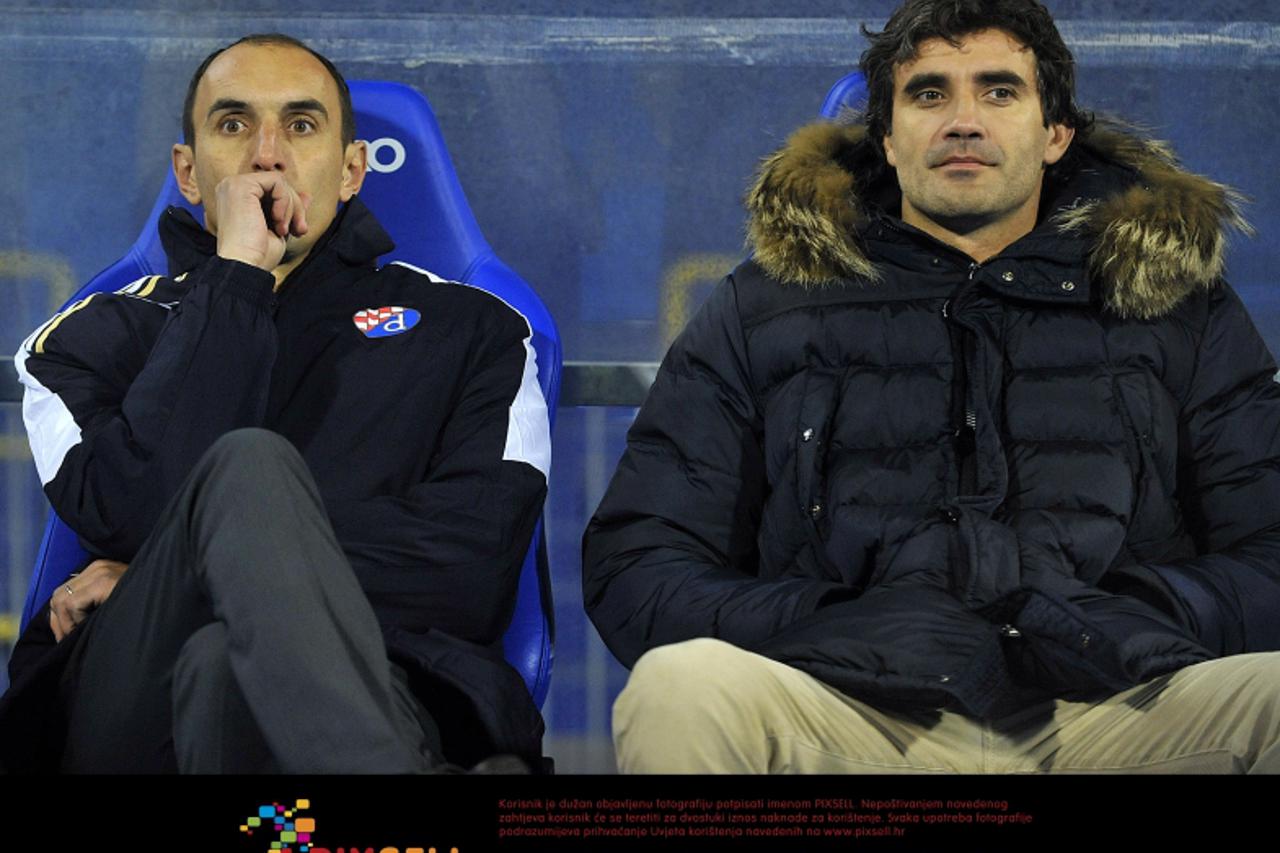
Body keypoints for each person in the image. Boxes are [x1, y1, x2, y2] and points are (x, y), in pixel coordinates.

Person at [583, 0, 1280, 773]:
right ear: (886, 135)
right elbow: (641, 559)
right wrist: (844, 624)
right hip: (850, 707)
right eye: (928, 94)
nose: (963, 121)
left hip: (1115, 703)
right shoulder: (767, 303)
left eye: (999, 91)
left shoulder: (1172, 302)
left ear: (1056, 133)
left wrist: (1128, 618)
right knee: (680, 687)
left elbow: (1270, 544)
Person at [0, 33, 551, 773]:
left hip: (388, 681)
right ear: (188, 174)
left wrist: (209, 568)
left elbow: (469, 567)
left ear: (352, 170)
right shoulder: (84, 338)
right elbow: (126, 509)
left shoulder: (475, 330)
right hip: (132, 699)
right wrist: (235, 281)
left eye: (300, 125)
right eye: (233, 125)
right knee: (249, 468)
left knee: (227, 666)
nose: (267, 154)